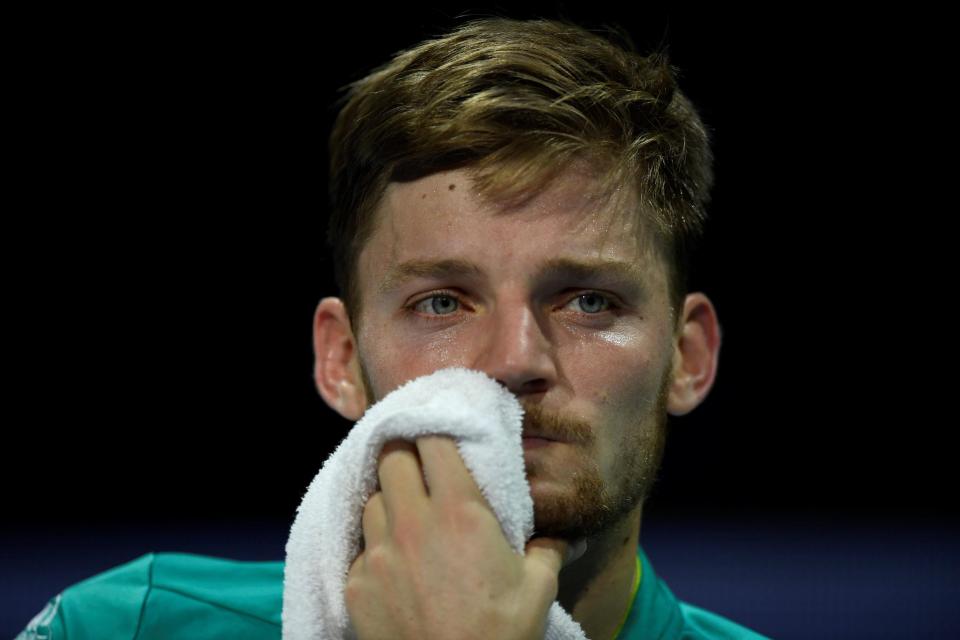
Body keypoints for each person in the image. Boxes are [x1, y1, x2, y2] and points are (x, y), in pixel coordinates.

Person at [18, 16, 768, 640]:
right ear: (340, 359)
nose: (514, 359)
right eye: (442, 302)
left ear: (687, 357)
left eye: (588, 302)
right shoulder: (123, 626)